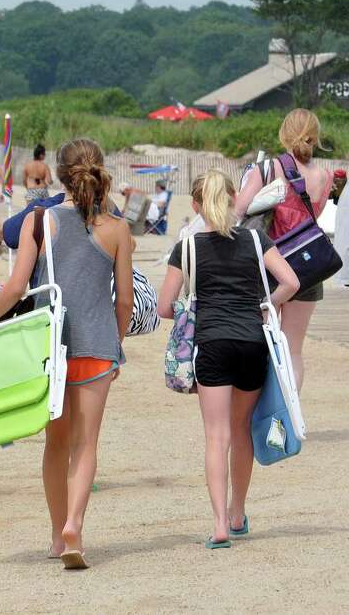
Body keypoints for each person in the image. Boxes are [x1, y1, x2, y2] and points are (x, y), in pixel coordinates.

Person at [0, 137, 132, 570]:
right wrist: (116, 344)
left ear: (59, 175)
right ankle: (76, 523)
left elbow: (17, 286)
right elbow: (125, 302)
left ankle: (58, 536)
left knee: (56, 444)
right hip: (97, 345)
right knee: (87, 445)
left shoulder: (39, 221)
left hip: (49, 345)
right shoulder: (117, 228)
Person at [157, 170, 299, 550]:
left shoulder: (186, 248)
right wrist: (264, 306)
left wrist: (194, 302)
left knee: (216, 436)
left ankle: (219, 524)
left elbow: (164, 307)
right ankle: (238, 513)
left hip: (212, 343)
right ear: (235, 198)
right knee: (240, 431)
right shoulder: (255, 239)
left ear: (196, 205)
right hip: (251, 342)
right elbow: (291, 282)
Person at [234, 108, 334, 390]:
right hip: (308, 267)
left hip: (270, 265)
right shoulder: (325, 177)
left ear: (283, 134)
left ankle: (264, 417)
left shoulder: (267, 169)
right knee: (294, 350)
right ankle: (290, 417)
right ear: (316, 137)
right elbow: (314, 218)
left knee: (263, 344)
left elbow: (238, 212)